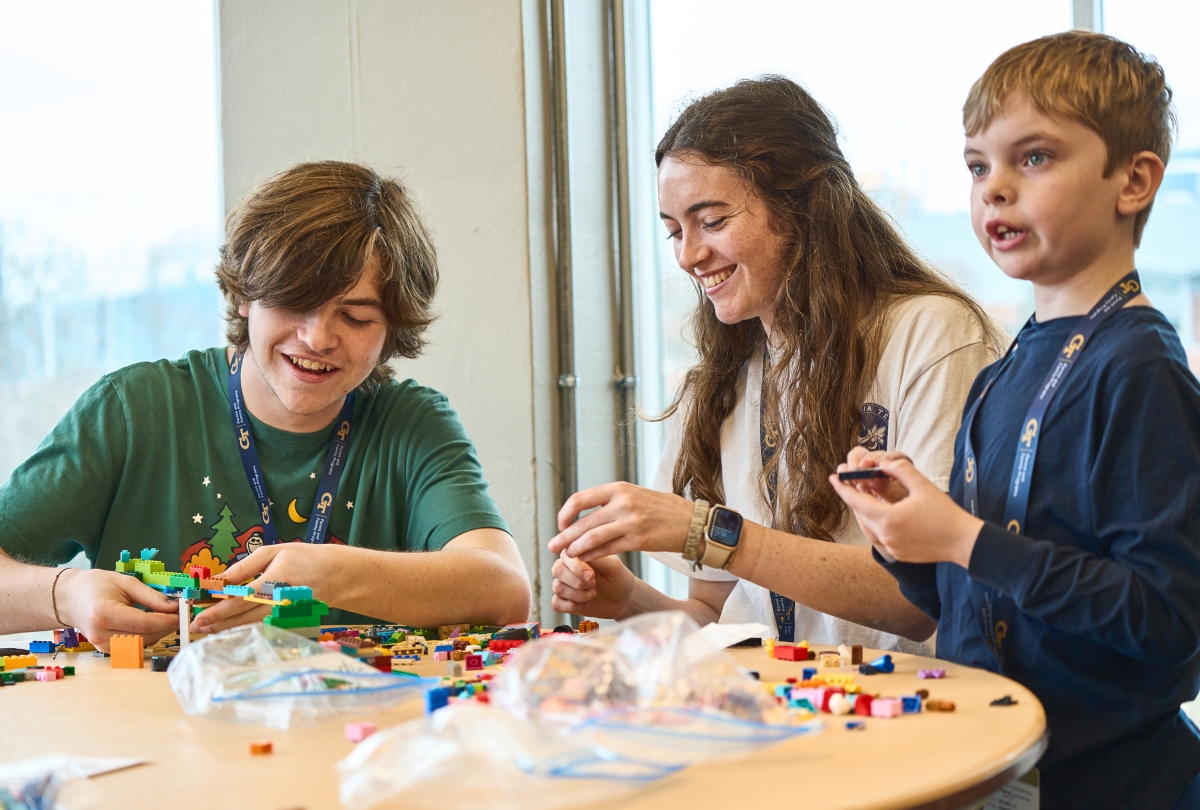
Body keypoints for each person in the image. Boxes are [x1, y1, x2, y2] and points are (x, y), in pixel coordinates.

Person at [831, 32, 1200, 808]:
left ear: (1133, 181)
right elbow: (970, 602)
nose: (994, 187)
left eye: (1032, 158)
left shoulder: (1138, 369)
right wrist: (908, 540)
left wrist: (964, 538)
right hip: (1005, 775)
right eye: (977, 166)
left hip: (1122, 786)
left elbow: (1170, 622)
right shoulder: (1001, 371)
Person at [548, 77, 1000, 653]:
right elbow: (721, 618)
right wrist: (633, 600)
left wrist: (710, 532)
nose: (688, 255)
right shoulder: (722, 380)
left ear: (804, 209)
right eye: (673, 231)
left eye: (712, 221)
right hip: (777, 716)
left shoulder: (932, 334)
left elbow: (921, 598)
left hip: (900, 717)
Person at [0, 161, 532, 650]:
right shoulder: (133, 409)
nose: (318, 337)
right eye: (294, 300)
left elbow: (505, 588)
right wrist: (65, 594)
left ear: (392, 330)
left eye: (356, 316)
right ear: (244, 296)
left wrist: (330, 573)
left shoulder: (412, 423)